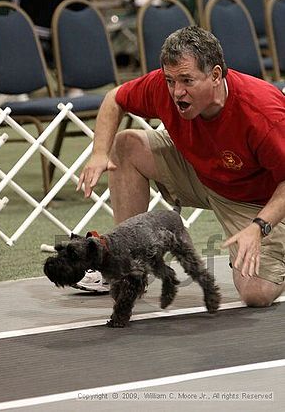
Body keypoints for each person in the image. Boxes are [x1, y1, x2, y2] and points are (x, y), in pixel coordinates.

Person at [77, 25, 285, 306]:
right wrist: (99, 153)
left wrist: (259, 226)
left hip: (256, 201)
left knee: (256, 293)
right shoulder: (163, 89)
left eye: (187, 80)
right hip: (198, 170)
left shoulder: (261, 111)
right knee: (126, 146)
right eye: (170, 80)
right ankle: (125, 265)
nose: (177, 92)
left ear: (215, 75)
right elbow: (114, 99)